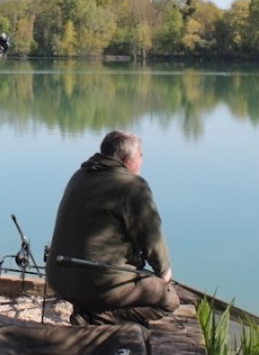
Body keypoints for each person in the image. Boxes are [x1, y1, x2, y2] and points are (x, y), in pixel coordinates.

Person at [45, 130, 180, 327]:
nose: (142, 159)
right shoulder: (132, 187)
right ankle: (99, 317)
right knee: (169, 300)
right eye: (140, 154)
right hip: (97, 282)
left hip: (59, 277)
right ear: (128, 159)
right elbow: (152, 239)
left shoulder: (80, 175)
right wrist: (164, 273)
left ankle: (87, 309)